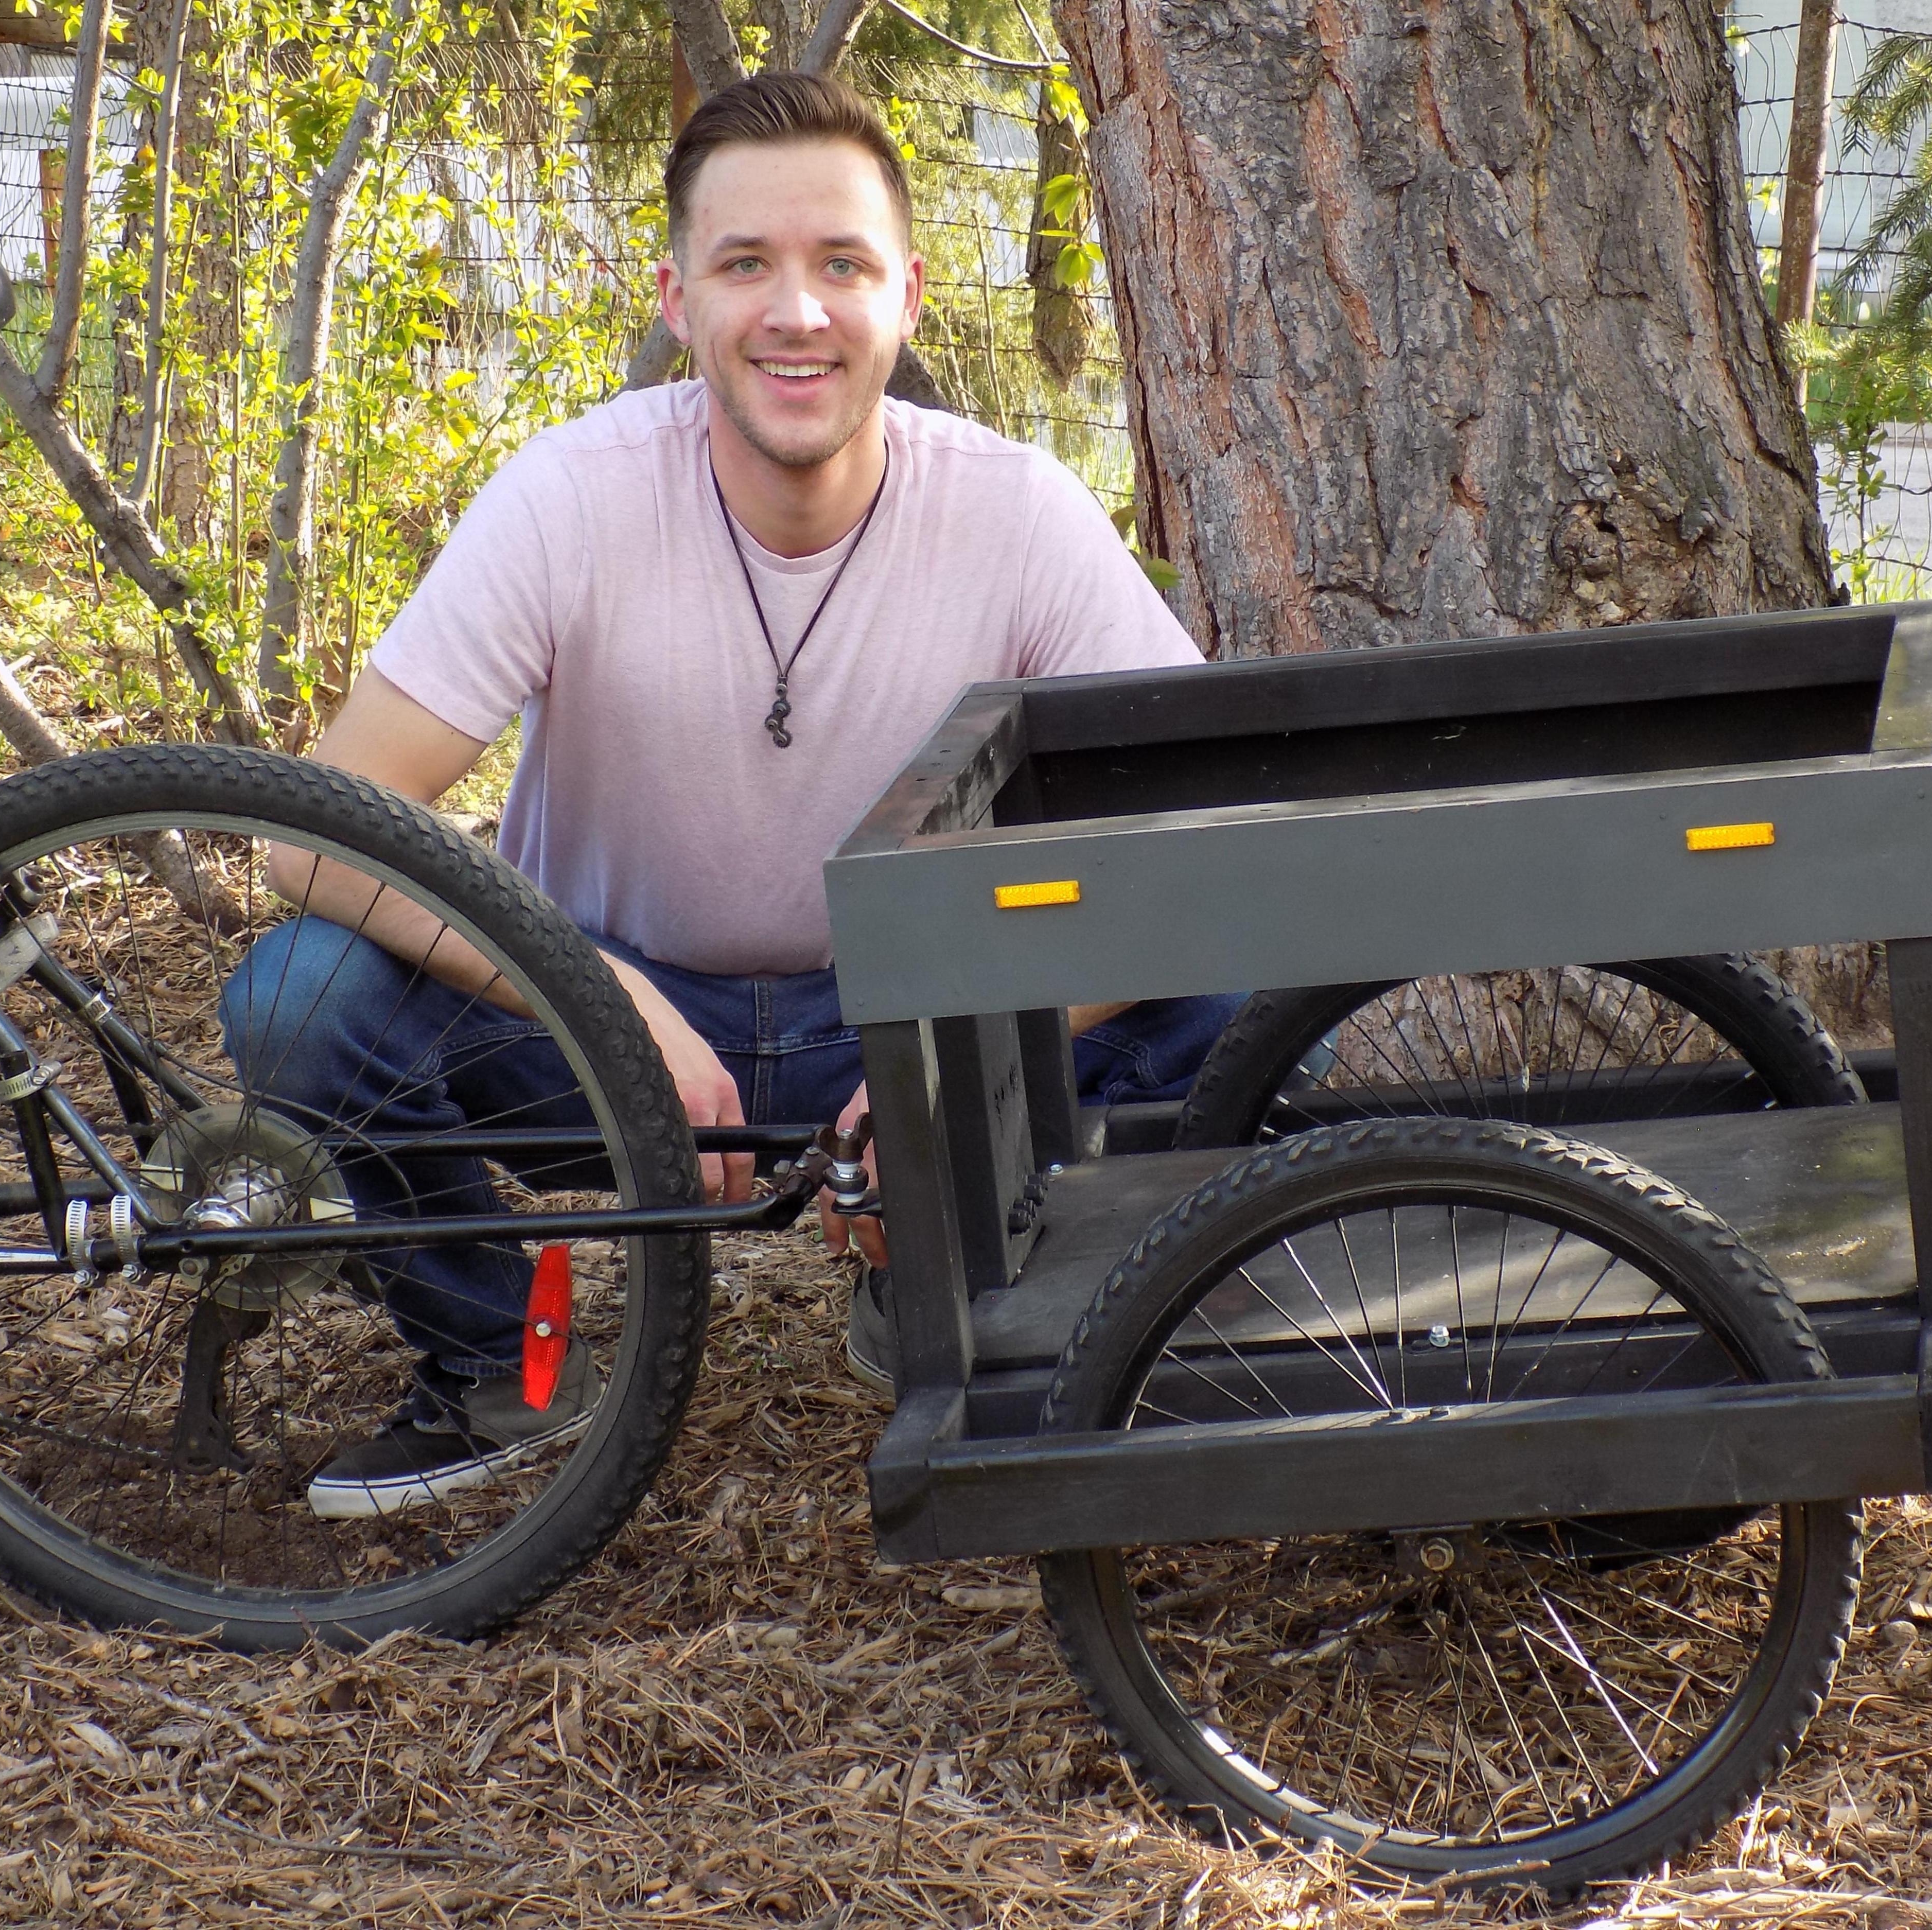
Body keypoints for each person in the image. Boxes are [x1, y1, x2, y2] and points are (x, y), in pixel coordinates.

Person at [221, 71, 1238, 1518]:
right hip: (593, 1024)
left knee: (1241, 1001)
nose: (796, 312)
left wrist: (965, 1050)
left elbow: (1197, 835)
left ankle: (978, 1278)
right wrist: (598, 996)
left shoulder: (1009, 508)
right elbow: (311, 839)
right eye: (745, 264)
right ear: (678, 298)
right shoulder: (569, 498)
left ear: (908, 296)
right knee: (296, 999)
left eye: (841, 265)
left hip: (908, 1006)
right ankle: (498, 1358)